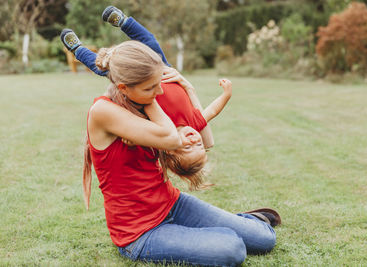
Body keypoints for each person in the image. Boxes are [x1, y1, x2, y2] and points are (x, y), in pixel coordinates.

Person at [60, 6, 280, 266]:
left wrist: (181, 85)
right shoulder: (104, 111)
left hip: (172, 204)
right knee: (232, 249)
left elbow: (204, 139)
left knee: (265, 238)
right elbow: (172, 139)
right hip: (140, 232)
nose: (160, 93)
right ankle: (217, 233)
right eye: (151, 87)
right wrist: (140, 91)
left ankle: (233, 225)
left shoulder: (145, 98)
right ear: (123, 87)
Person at [61, 6, 233, 190]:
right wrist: (226, 94)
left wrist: (133, 139)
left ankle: (78, 50)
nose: (196, 141)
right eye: (199, 146)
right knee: (149, 40)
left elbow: (135, 130)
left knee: (105, 69)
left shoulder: (161, 129)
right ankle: (123, 21)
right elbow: (212, 114)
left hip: (139, 84)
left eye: (188, 148)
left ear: (169, 148)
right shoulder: (195, 123)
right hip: (164, 69)